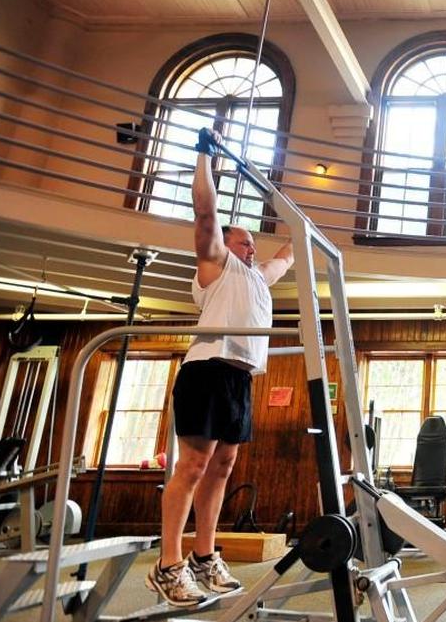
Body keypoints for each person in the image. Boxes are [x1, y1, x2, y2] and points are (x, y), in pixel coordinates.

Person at [146, 129, 294, 607]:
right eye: (243, 241)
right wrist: (206, 157)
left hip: (239, 377)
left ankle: (205, 555)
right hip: (207, 369)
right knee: (193, 465)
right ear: (227, 244)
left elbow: (287, 257)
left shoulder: (257, 279)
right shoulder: (216, 264)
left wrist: (294, 211)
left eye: (252, 244)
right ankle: (169, 564)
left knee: (223, 465)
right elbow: (206, 213)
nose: (250, 248)